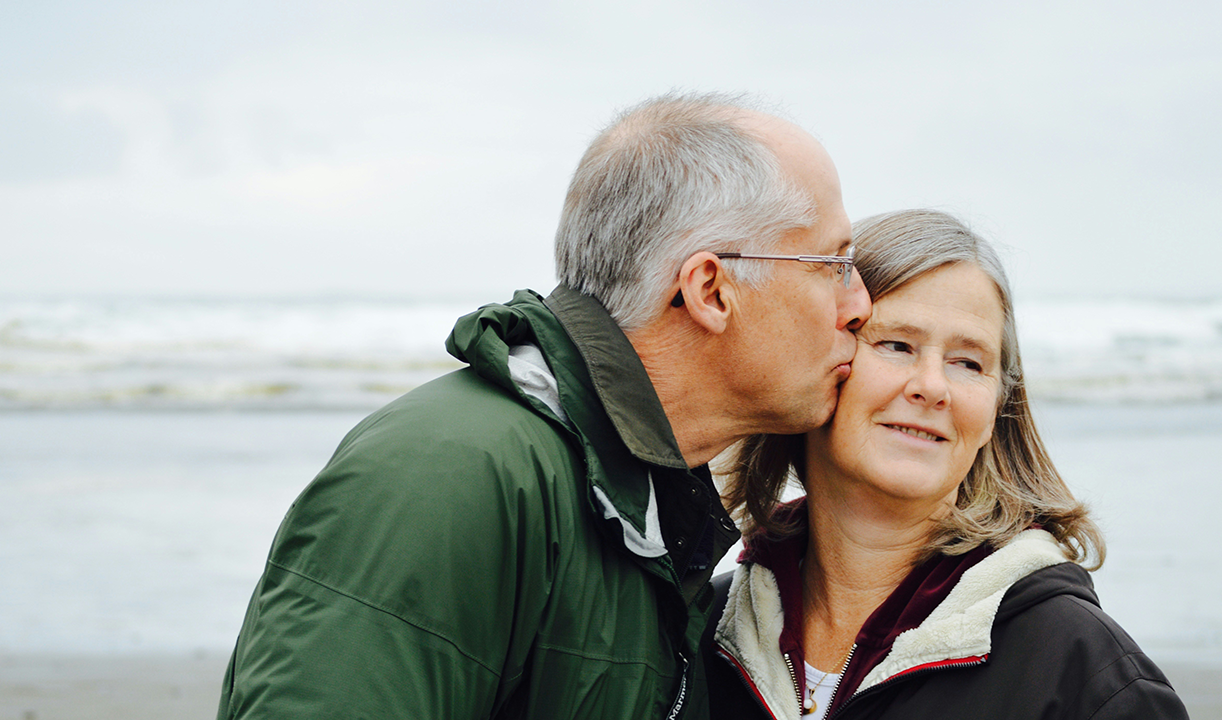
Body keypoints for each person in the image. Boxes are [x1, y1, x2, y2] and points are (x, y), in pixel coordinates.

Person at [216, 91, 871, 720]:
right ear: (710, 290)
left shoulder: (641, 499)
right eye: (832, 264)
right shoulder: (449, 475)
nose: (859, 305)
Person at [706, 209, 1189, 719]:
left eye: (968, 362)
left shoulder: (1086, 673)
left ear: (995, 413)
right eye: (896, 345)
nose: (933, 386)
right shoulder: (705, 633)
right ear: (820, 364)